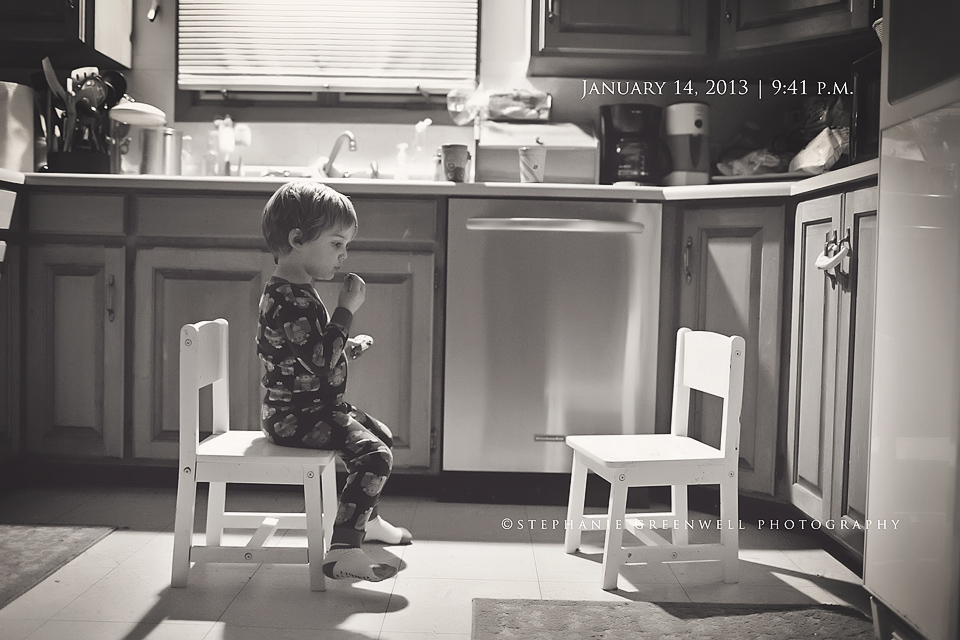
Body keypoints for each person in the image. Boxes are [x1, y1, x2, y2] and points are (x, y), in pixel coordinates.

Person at [257, 180, 412, 583]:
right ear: (297, 238)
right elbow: (321, 360)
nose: (344, 256)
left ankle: (366, 519)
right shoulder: (290, 298)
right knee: (375, 456)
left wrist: (347, 346)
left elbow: (308, 354)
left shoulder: (296, 291)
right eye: (337, 244)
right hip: (295, 418)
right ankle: (343, 549)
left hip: (309, 407)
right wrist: (346, 311)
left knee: (381, 434)